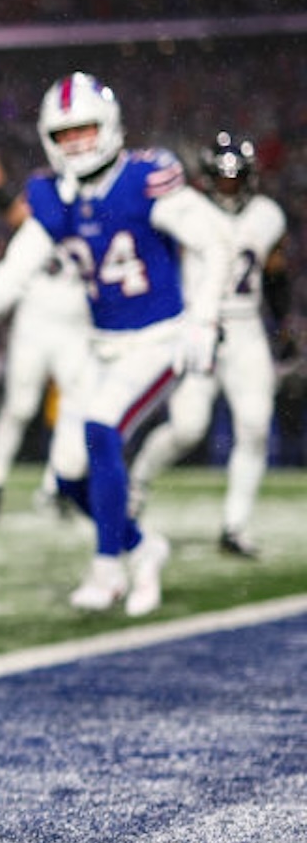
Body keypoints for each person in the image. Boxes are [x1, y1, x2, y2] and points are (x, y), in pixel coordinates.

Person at [0, 73, 232, 616]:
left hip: (160, 339)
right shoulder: (54, 195)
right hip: (102, 346)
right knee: (67, 476)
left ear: (109, 128)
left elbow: (217, 241)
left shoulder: (142, 179)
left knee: (101, 425)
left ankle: (107, 567)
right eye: (66, 134)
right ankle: (141, 544)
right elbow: (21, 261)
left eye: (86, 129)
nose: (79, 143)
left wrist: (203, 321)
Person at [127, 132, 291, 557]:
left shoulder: (267, 215)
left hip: (246, 328)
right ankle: (136, 485)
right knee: (187, 429)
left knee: (254, 427)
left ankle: (234, 526)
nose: (228, 188)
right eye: (221, 179)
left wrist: (284, 328)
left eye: (235, 180)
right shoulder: (185, 209)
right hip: (198, 327)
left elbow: (275, 273)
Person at [0, 108, 95, 522]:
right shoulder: (45, 195)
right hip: (37, 318)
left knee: (75, 407)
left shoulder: (105, 198)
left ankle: (57, 486)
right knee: (19, 406)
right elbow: (1, 198)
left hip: (79, 322)